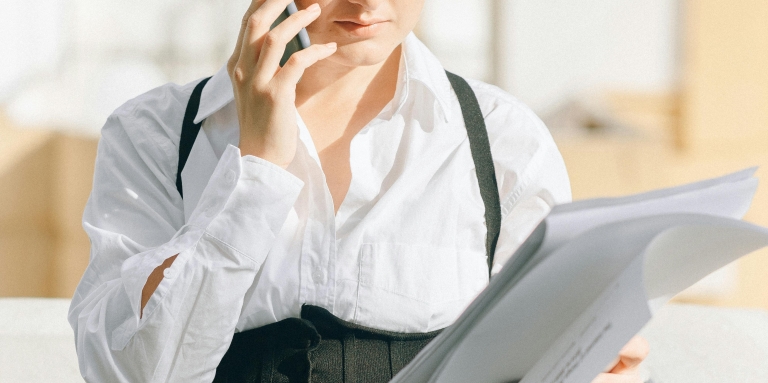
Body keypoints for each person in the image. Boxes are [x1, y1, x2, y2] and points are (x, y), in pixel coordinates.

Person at [68, 0, 648, 382]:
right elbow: (132, 373)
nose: (369, 3)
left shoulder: (503, 141)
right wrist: (255, 171)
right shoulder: (157, 135)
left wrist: (594, 365)